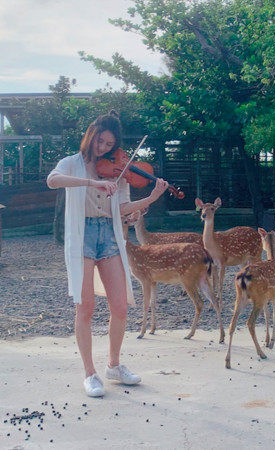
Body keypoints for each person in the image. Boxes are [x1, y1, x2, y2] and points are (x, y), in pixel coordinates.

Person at [47, 111, 168, 397]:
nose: (102, 148)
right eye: (100, 141)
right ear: (91, 135)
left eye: (108, 144)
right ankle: (90, 373)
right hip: (83, 235)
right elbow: (52, 180)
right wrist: (92, 183)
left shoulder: (119, 170)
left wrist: (151, 198)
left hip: (110, 236)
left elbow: (123, 208)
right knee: (85, 307)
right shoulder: (72, 163)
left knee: (121, 306)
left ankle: (113, 366)